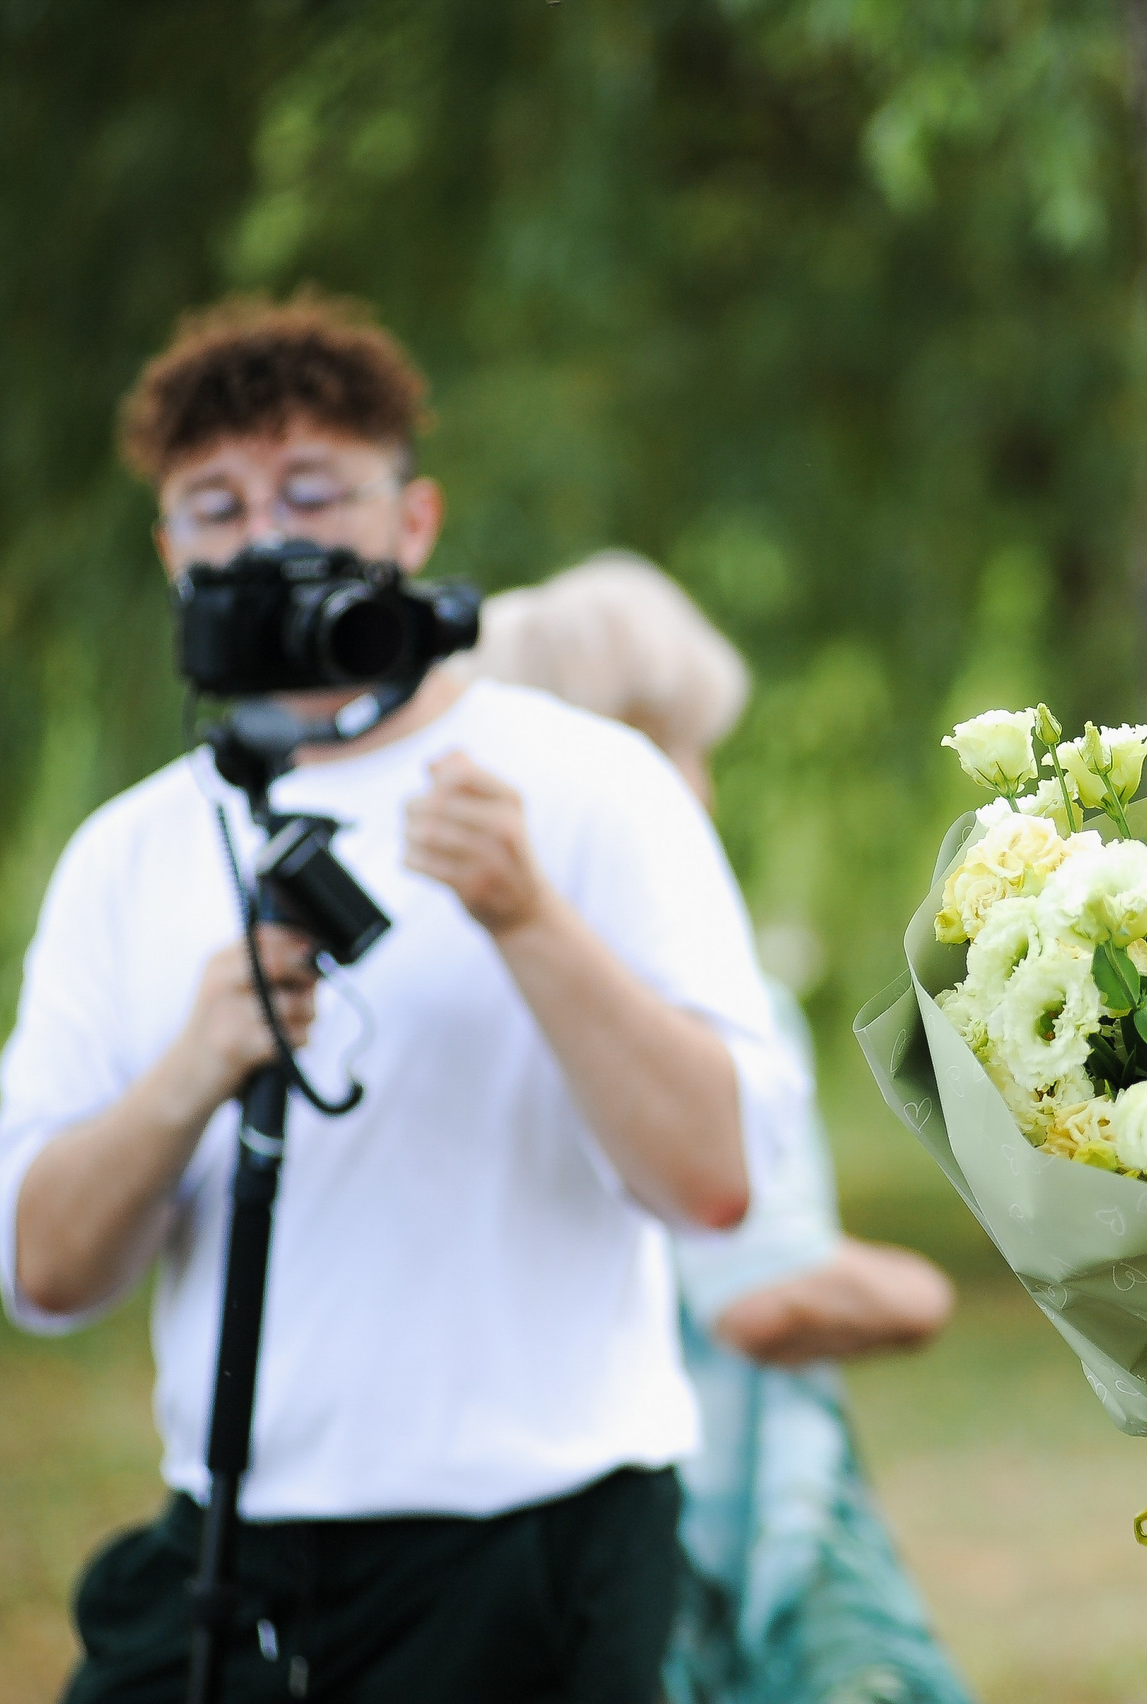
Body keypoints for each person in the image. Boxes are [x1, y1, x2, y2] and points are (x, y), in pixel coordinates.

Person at [0, 293, 801, 1703]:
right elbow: (45, 1272)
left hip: (542, 1555)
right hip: (232, 1553)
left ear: (412, 525)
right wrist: (194, 1066)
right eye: (215, 506)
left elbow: (718, 1182)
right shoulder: (128, 851)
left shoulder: (593, 786)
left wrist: (529, 919)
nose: (265, 536)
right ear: (170, 555)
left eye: (311, 490)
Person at [466, 555, 976, 1704]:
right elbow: (761, 1294)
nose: (698, 789)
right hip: (721, 1516)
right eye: (666, 749)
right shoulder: (670, 1000)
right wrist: (938, 1293)